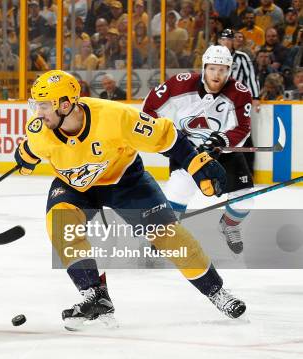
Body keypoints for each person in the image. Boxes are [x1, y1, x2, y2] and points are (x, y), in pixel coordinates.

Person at [15, 70, 246, 330]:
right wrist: (23, 156)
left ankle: (216, 291)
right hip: (75, 186)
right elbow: (30, 150)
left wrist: (196, 163)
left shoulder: (115, 117)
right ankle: (95, 295)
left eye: (44, 106)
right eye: (36, 105)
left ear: (66, 105)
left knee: (169, 236)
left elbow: (166, 137)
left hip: (125, 181)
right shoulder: (39, 129)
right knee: (60, 224)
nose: (38, 112)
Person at [143, 45, 254, 255]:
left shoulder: (240, 93)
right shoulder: (180, 83)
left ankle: (229, 225)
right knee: (177, 192)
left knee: (245, 199)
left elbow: (243, 128)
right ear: (204, 68)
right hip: (187, 151)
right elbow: (149, 107)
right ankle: (163, 235)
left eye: (222, 70)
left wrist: (223, 139)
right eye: (212, 69)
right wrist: (166, 137)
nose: (217, 74)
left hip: (222, 152)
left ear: (229, 71)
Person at [218, 28, 260, 173]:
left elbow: (252, 77)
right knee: (220, 134)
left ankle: (248, 170)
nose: (226, 43)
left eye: (229, 39)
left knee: (243, 133)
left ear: (233, 41)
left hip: (239, 102)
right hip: (220, 103)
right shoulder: (214, 57)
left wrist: (255, 97)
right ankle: (221, 170)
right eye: (224, 39)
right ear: (219, 41)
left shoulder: (242, 57)